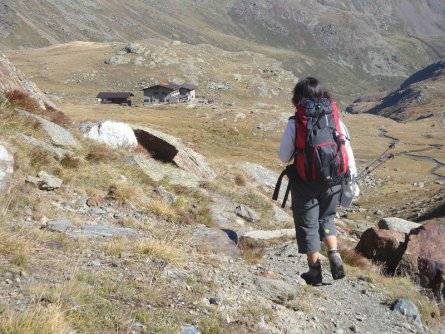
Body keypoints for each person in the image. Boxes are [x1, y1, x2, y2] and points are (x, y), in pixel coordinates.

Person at [278, 77, 357, 285]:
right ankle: (333, 252)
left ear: (298, 98)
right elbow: (346, 149)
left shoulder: (296, 122)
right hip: (334, 179)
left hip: (305, 182)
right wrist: (351, 179)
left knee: (308, 224)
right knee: (327, 218)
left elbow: (284, 156)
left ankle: (314, 271)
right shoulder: (335, 118)